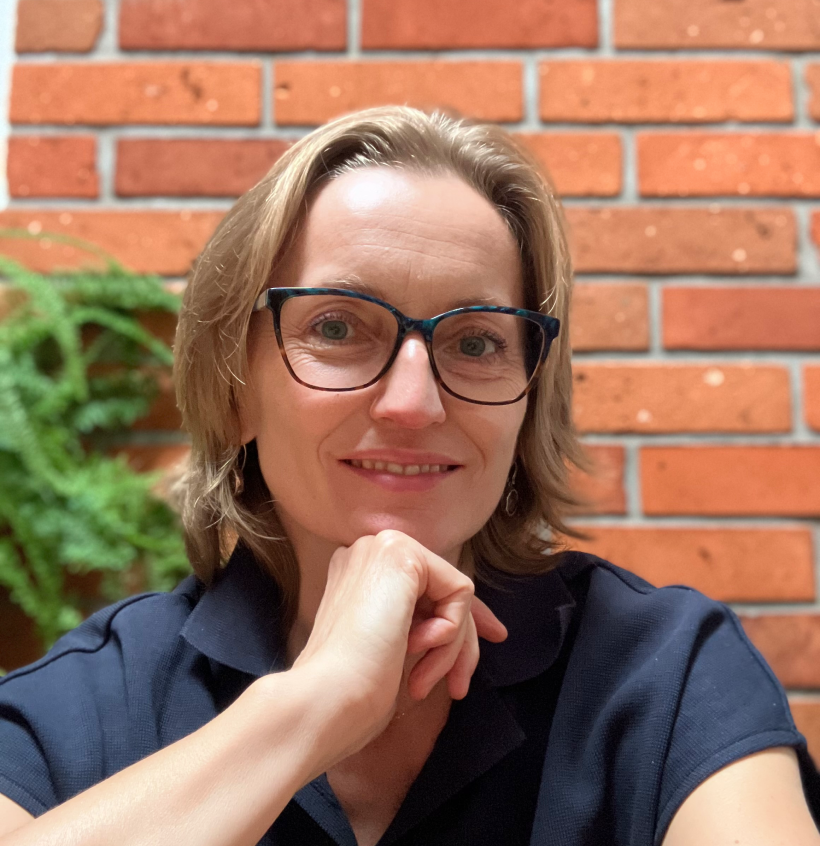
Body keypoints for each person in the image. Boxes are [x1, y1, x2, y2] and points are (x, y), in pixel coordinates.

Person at [0, 105, 818, 846]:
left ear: (527, 401)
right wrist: (312, 707)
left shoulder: (665, 677)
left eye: (476, 342)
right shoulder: (82, 706)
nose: (413, 403)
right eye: (337, 328)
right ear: (235, 386)